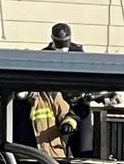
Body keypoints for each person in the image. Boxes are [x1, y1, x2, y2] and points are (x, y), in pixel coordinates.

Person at [43, 22, 92, 157]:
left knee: (84, 154)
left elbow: (89, 82)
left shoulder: (79, 54)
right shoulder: (43, 57)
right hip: (58, 110)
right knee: (58, 153)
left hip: (79, 108)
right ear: (52, 39)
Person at [16, 91, 78, 160]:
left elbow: (69, 115)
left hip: (50, 156)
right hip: (18, 157)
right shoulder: (6, 96)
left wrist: (68, 124)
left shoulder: (50, 95)